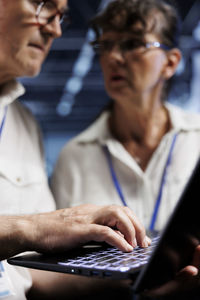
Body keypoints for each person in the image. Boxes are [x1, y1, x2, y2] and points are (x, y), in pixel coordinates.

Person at [0, 0, 152, 299]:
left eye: (61, 17)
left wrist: (140, 279)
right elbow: (36, 231)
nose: (55, 30)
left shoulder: (23, 124)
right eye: (43, 5)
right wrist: (35, 227)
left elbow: (26, 276)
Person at [51, 0, 200, 298]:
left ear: (170, 63)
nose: (113, 57)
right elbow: (59, 266)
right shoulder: (73, 158)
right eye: (105, 46)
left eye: (132, 43)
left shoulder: (197, 141)